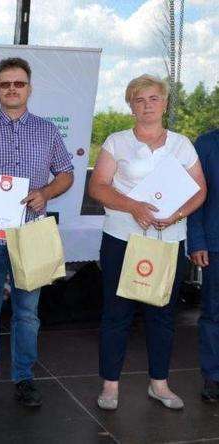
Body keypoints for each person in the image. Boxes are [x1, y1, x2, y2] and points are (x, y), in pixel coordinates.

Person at [0, 57, 74, 409]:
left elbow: (66, 174)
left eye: (18, 83)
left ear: (29, 88)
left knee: (27, 314)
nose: (12, 89)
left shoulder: (47, 131)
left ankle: (24, 378)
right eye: (5, 84)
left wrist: (46, 192)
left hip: (30, 236)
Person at [89, 74, 206, 410]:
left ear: (165, 103)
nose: (147, 106)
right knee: (117, 314)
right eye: (139, 100)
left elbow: (200, 190)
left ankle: (160, 384)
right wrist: (133, 206)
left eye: (154, 98)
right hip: (122, 239)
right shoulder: (116, 142)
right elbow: (97, 187)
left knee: (163, 314)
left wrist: (177, 215)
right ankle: (110, 385)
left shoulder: (182, 145)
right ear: (131, 107)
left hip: (168, 241)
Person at [187, 129, 219, 402]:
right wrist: (197, 241)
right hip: (216, 243)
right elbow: (195, 195)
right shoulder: (207, 144)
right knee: (213, 313)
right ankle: (213, 377)